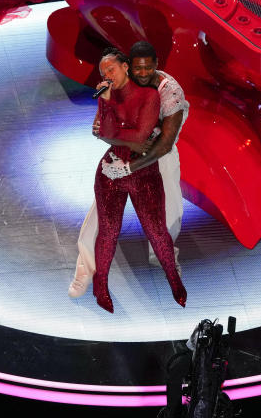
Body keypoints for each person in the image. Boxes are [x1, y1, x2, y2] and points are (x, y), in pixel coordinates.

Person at [69, 41, 189, 298]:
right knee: (99, 218)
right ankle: (85, 268)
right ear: (129, 67)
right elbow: (101, 129)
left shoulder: (171, 92)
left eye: (147, 68)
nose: (142, 74)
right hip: (123, 154)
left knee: (170, 214)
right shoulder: (121, 83)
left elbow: (164, 144)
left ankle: (164, 259)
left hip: (160, 155)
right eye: (137, 69)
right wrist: (124, 141)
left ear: (156, 65)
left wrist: (129, 168)